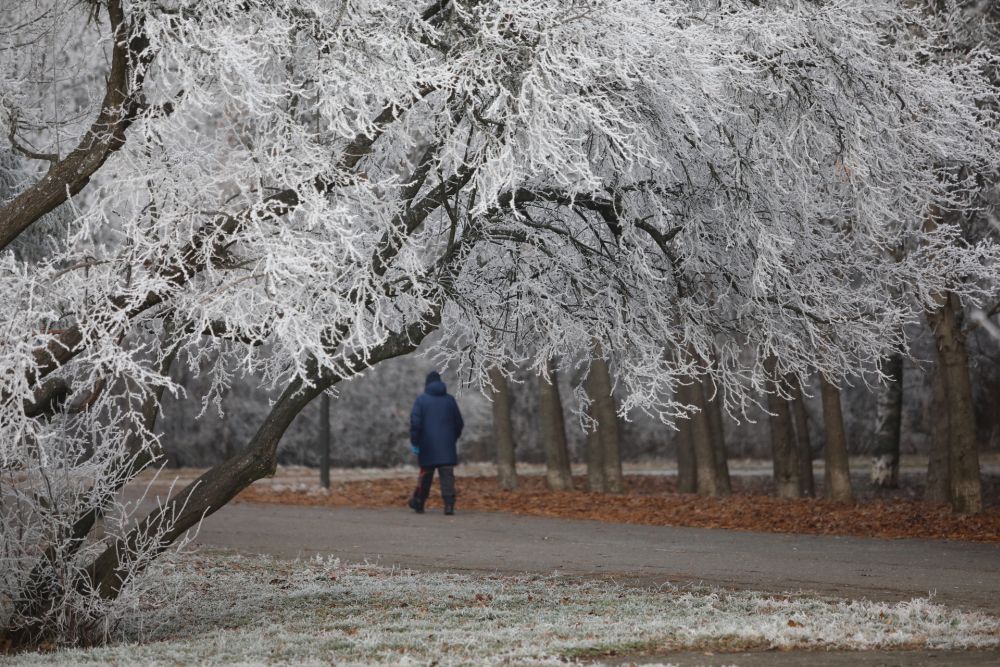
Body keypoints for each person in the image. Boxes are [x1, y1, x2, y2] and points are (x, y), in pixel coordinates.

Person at [408, 371, 464, 515]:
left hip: (427, 446)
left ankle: (419, 503)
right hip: (447, 446)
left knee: (425, 475)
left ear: (427, 384)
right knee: (447, 476)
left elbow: (415, 424)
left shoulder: (421, 400)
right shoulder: (450, 400)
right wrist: (452, 438)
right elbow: (459, 423)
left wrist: (415, 442)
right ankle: (449, 506)